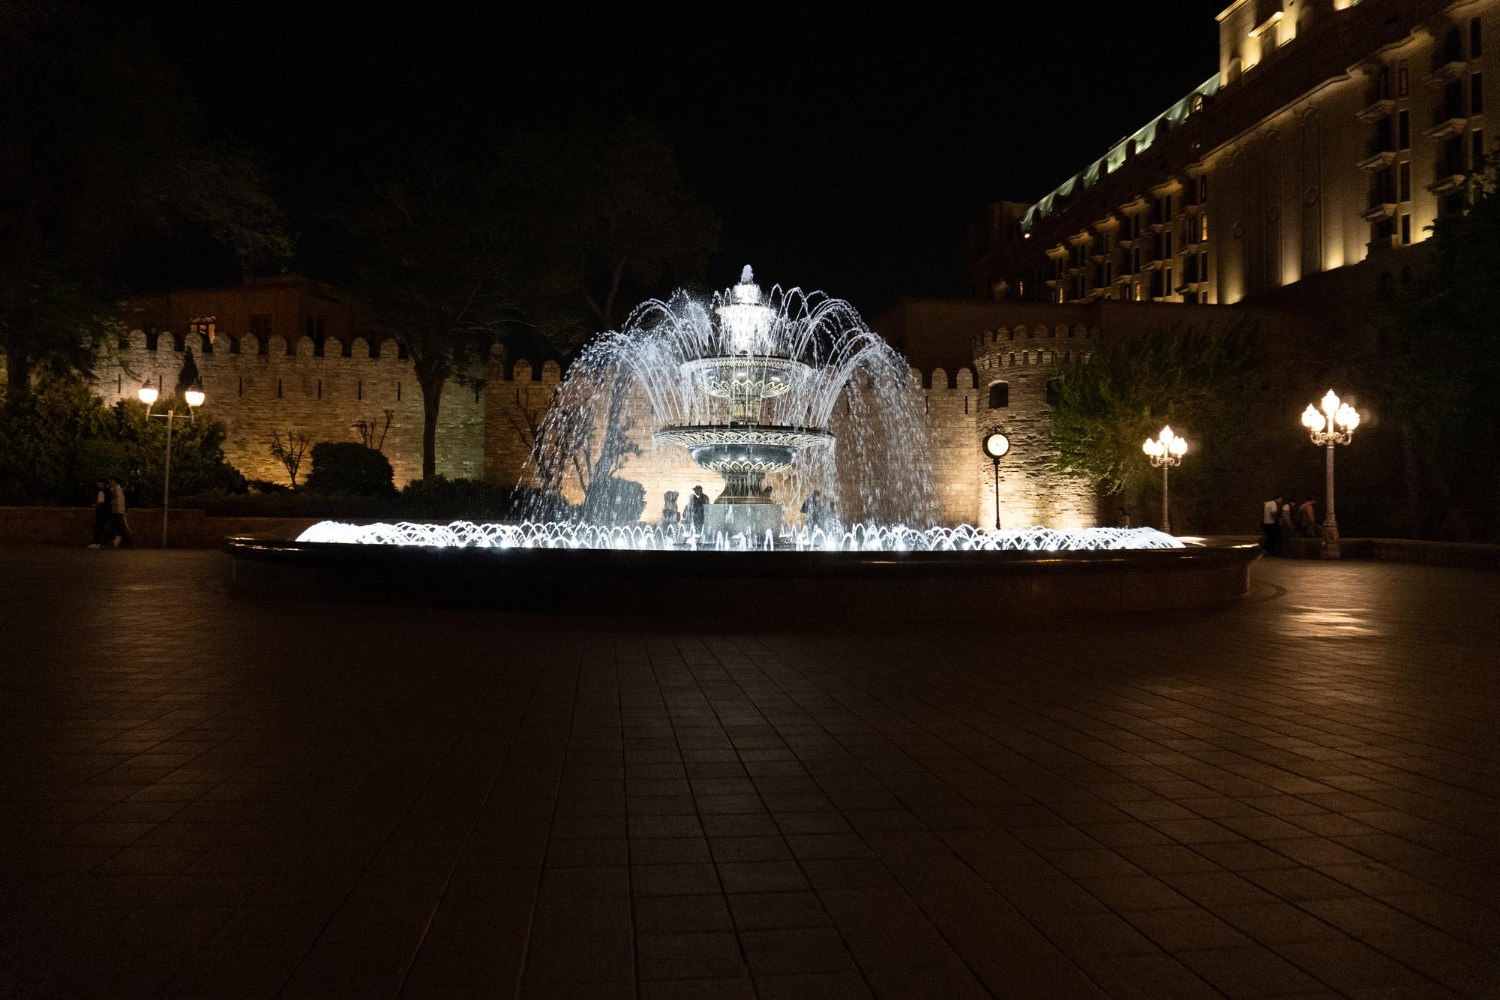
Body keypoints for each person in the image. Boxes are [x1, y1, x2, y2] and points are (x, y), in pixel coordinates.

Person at [107, 478, 132, 547]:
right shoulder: (118, 488)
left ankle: (129, 542)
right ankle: (126, 541)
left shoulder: (116, 488)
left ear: (114, 481)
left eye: (111, 481)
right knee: (120, 527)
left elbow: (116, 498)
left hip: (117, 511)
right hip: (118, 510)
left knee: (121, 527)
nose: (110, 482)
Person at [88, 479, 113, 549]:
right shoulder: (109, 491)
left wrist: (94, 505)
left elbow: (101, 502)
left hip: (101, 511)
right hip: (108, 511)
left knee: (98, 526)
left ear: (102, 483)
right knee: (103, 526)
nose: (98, 484)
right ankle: (106, 541)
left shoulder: (101, 491)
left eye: (99, 483)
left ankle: (97, 542)